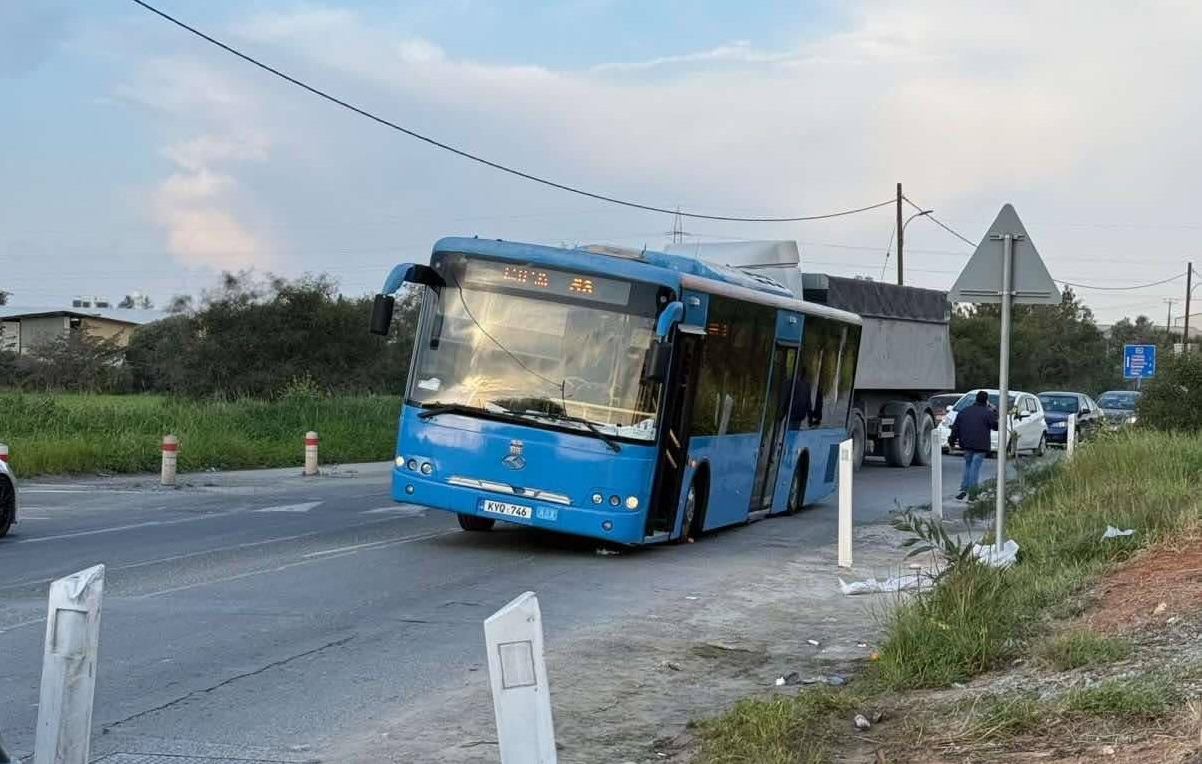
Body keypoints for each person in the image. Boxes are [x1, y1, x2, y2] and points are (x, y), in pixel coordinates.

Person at [948, 390, 999, 500]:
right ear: (986, 401)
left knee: (968, 465)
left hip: (966, 443)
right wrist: (995, 411)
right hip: (981, 445)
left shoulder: (964, 411)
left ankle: (963, 489)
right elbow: (996, 426)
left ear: (976, 399)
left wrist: (952, 440)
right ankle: (972, 493)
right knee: (975, 467)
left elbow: (956, 427)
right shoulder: (988, 413)